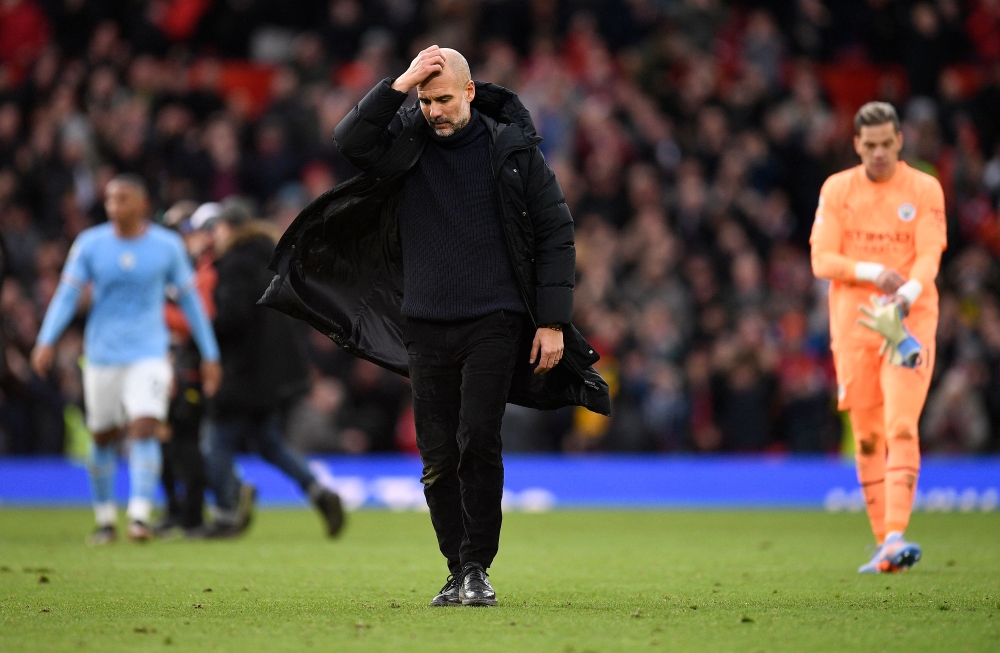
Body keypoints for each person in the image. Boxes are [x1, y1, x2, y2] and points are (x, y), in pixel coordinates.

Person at [260, 46, 611, 606]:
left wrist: (552, 322)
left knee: (479, 440)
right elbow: (349, 142)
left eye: (444, 98)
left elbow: (556, 233)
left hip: (494, 321)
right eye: (425, 100)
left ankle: (477, 567)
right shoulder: (407, 144)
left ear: (470, 92)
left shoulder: (513, 152)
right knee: (437, 457)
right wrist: (400, 83)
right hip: (422, 323)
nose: (434, 110)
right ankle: (457, 569)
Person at [31, 175, 222, 544]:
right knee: (102, 437)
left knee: (145, 427)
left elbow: (191, 304)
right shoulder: (90, 245)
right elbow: (66, 296)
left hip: (149, 353)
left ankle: (138, 516)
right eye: (109, 200)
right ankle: (105, 519)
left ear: (141, 204)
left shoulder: (166, 247)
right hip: (102, 354)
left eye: (122, 199)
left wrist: (210, 354)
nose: (114, 206)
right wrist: (46, 340)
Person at [810, 102, 947, 573]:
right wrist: (873, 272)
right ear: (856, 145)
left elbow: (929, 259)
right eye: (870, 145)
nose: (879, 153)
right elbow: (822, 260)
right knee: (867, 440)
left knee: (902, 426)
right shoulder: (837, 190)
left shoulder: (924, 189)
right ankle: (884, 546)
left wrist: (905, 297)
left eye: (887, 143)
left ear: (899, 140)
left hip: (908, 322)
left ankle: (896, 534)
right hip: (855, 326)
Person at [202, 201, 345, 539]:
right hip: (276, 373)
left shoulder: (235, 263)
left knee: (215, 441)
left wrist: (201, 332)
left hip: (244, 372)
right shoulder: (275, 259)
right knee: (268, 442)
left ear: (228, 229)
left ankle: (227, 509)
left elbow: (234, 318)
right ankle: (317, 491)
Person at [155, 201, 220, 538]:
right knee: (165, 443)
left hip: (187, 369)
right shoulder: (175, 270)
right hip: (164, 364)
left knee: (185, 442)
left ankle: (194, 514)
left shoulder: (204, 271)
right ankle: (178, 511)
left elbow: (199, 319)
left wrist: (154, 313)